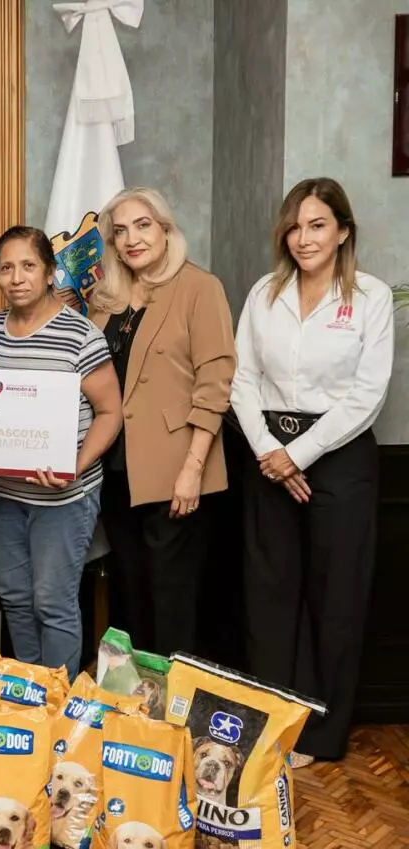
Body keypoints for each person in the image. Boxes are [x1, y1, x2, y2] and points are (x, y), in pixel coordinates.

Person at [231, 178, 392, 766]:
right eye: (295, 226)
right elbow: (242, 379)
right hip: (266, 450)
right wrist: (272, 452)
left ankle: (321, 736)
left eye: (318, 224)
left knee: (336, 600)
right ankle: (274, 729)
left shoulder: (369, 297)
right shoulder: (263, 294)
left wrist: (299, 455)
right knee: (270, 598)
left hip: (340, 457)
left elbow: (367, 395)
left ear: (343, 231)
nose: (303, 237)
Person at [89, 187, 235, 657]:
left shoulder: (199, 287)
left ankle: (175, 716)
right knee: (133, 599)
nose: (132, 239)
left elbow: (216, 381)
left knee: (173, 601)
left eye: (143, 225)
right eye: (121, 231)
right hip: (114, 471)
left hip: (176, 470)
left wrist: (193, 468)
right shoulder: (105, 298)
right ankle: (141, 715)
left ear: (166, 229)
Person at [0, 226, 122, 681]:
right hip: (4, 494)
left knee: (52, 602)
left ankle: (57, 702)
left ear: (49, 271)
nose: (16, 277)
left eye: (28, 265)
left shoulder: (80, 336)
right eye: (6, 267)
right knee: (15, 597)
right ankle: (28, 693)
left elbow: (110, 412)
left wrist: (74, 468)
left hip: (62, 497)